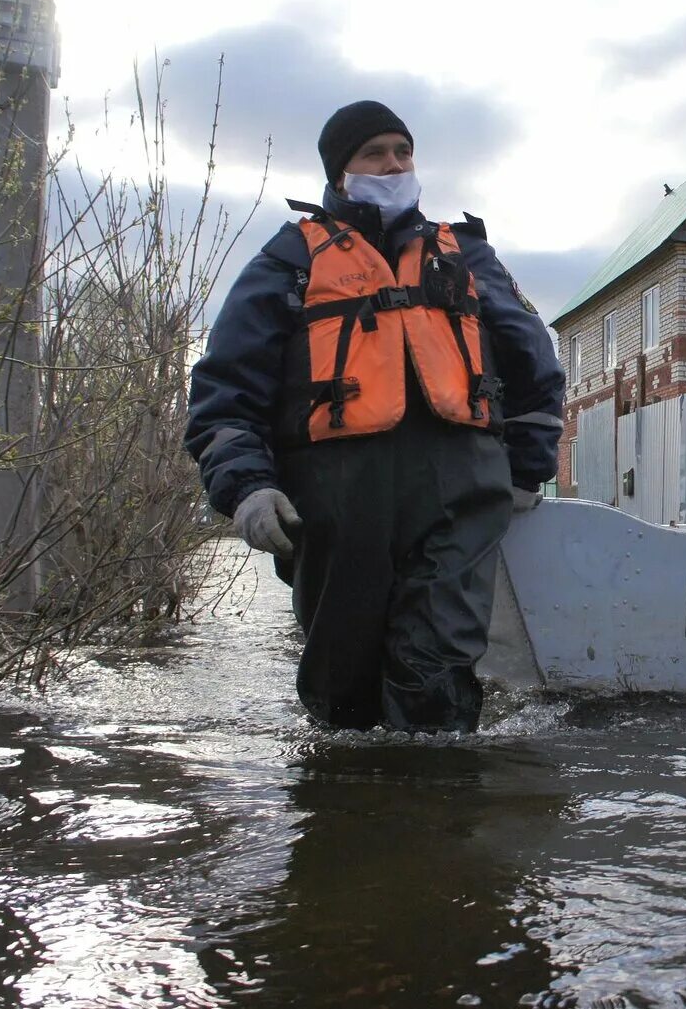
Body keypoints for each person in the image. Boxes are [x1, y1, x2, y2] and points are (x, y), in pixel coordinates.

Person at [185, 100, 565, 733]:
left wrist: (526, 470)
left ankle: (432, 809)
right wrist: (248, 487)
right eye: (374, 153)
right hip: (335, 502)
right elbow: (225, 389)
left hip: (460, 491)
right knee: (344, 688)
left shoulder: (463, 254)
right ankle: (354, 813)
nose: (393, 164)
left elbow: (533, 360)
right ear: (340, 172)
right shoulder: (289, 260)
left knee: (436, 670)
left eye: (402, 151)